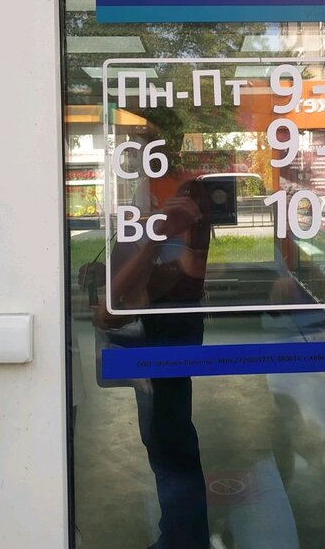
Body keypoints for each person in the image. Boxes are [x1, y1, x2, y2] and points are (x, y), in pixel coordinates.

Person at [109, 179, 212, 549]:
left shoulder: (189, 236)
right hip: (151, 344)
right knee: (161, 438)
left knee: (171, 440)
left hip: (171, 344)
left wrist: (165, 234)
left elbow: (189, 274)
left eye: (195, 204)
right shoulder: (146, 229)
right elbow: (113, 304)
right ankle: (180, 533)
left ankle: (184, 539)